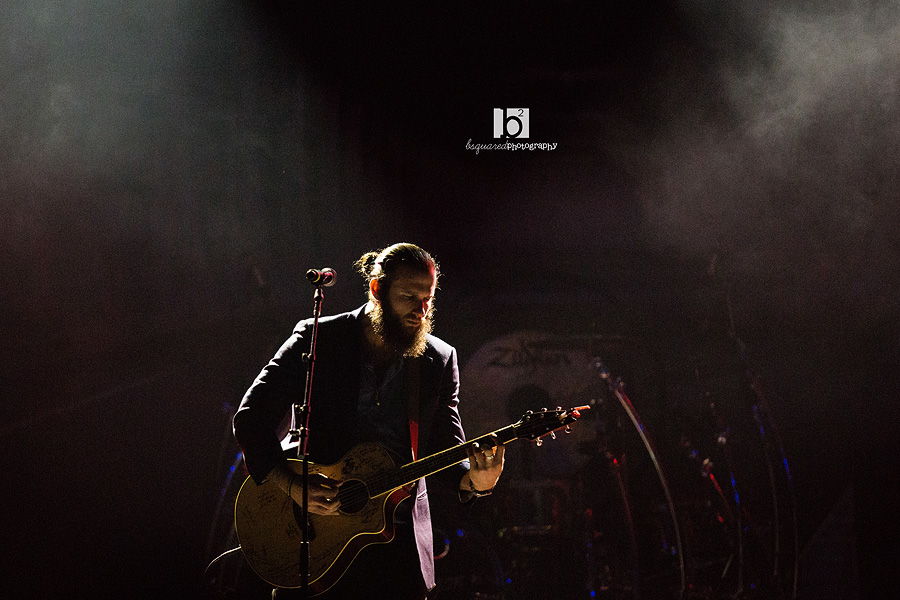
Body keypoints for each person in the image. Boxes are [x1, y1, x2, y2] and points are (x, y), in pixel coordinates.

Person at [233, 243, 505, 599]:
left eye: (427, 299)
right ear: (377, 289)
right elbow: (251, 418)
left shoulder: (438, 359)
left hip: (397, 549)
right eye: (409, 297)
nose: (421, 311)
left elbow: (446, 448)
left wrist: (476, 482)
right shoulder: (318, 338)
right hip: (317, 535)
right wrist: (291, 484)